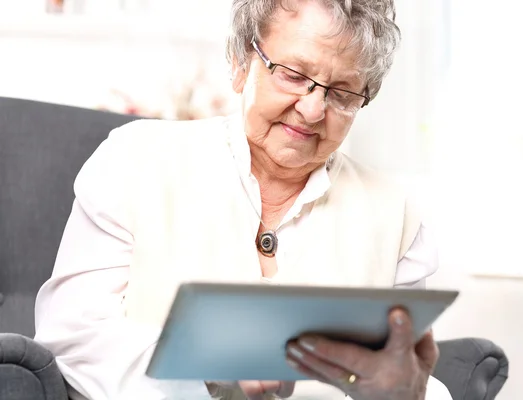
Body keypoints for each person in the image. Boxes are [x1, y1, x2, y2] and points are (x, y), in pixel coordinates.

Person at [34, 0, 453, 399]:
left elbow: (410, 374)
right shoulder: (133, 159)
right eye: (292, 74)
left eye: (342, 93)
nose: (312, 110)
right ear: (239, 62)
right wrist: (206, 367)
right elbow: (73, 340)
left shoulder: (396, 215)